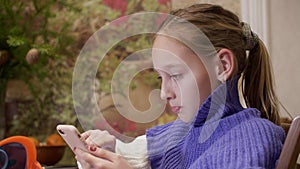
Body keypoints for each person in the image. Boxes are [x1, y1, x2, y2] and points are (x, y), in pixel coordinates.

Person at [74, 4, 285, 169]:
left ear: (223, 66)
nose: (164, 93)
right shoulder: (185, 130)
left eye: (175, 75)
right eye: (160, 78)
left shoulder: (250, 136)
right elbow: (139, 151)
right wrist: (108, 149)